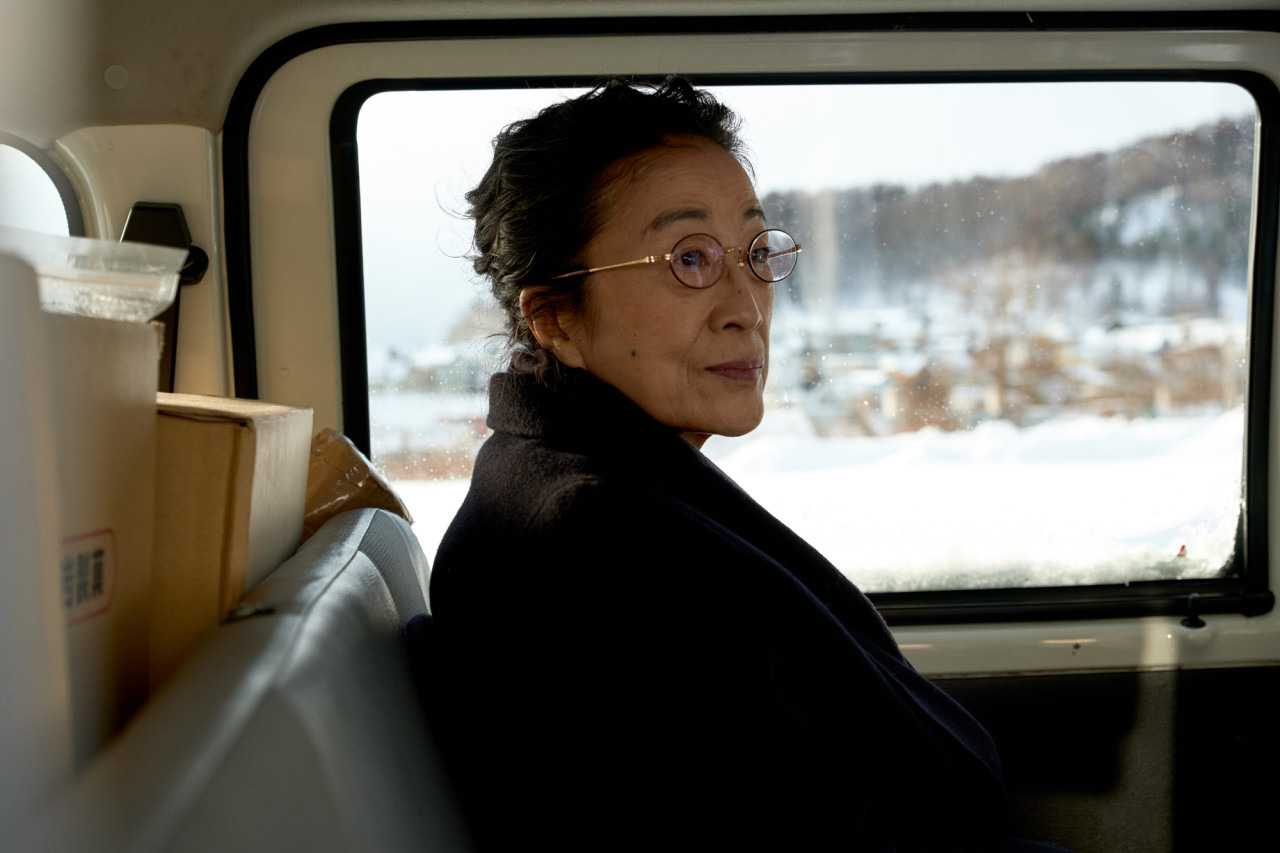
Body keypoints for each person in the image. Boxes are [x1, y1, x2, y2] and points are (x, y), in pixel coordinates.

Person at [419, 77, 1064, 851]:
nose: (747, 307)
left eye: (756, 253)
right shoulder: (596, 546)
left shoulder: (594, 477)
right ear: (555, 316)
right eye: (690, 258)